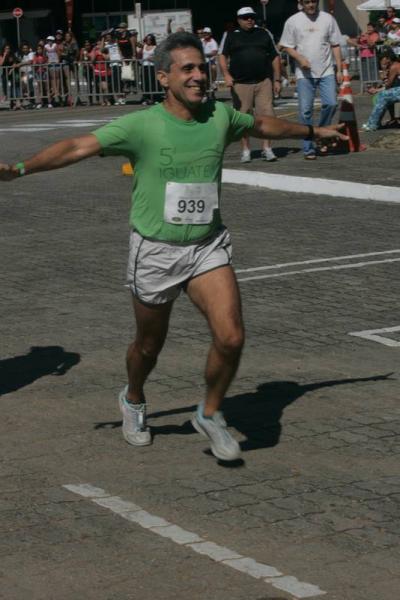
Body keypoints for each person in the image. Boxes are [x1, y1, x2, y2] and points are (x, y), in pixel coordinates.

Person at [0, 32, 346, 462]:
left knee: (231, 337)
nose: (199, 76)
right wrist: (19, 169)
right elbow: (77, 146)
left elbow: (261, 125)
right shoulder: (141, 125)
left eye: (202, 67)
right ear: (163, 77)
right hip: (156, 251)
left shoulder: (219, 116)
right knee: (148, 347)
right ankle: (133, 397)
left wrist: (313, 130)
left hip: (206, 246)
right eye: (188, 69)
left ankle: (210, 412)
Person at [280, 0, 343, 160]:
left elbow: (335, 44)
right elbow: (286, 45)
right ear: (301, 3)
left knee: (331, 103)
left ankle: (320, 134)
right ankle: (308, 148)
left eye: (313, 1)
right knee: (305, 111)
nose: (311, 5)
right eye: (307, 2)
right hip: (304, 74)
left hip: (326, 70)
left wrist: (339, 69)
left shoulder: (328, 19)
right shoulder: (293, 20)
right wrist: (300, 58)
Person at [219, 7, 281, 163]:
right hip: (240, 83)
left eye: (252, 17)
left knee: (267, 115)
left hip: (263, 82)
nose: (249, 20)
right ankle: (246, 150)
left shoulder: (264, 33)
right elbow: (222, 55)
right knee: (243, 118)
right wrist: (226, 75)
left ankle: (267, 148)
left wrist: (277, 79)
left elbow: (275, 56)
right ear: (238, 20)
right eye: (245, 17)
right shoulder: (231, 35)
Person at [362, 52, 400, 131]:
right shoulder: (396, 65)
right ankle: (375, 123)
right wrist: (378, 90)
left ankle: (372, 124)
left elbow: (388, 84)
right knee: (384, 95)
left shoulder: (394, 66)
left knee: (383, 96)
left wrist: (376, 90)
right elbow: (389, 85)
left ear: (388, 59)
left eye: (383, 59)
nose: (381, 61)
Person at [201, 27, 219, 94]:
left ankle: (213, 82)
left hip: (210, 61)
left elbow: (214, 52)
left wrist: (205, 55)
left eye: (207, 33)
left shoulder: (213, 42)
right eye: (204, 33)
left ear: (210, 34)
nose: (206, 34)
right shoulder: (201, 41)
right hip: (202, 61)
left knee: (213, 67)